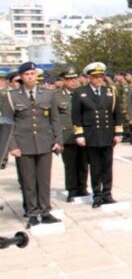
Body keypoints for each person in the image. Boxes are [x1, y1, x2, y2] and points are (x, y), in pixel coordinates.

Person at [1, 61, 63, 225]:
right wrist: (12, 146)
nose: (30, 77)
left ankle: (45, 211)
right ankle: (32, 213)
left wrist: (58, 140)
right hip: (23, 144)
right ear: (21, 77)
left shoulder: (48, 94)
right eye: (27, 74)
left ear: (36, 76)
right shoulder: (12, 96)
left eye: (33, 74)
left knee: (44, 179)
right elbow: (8, 123)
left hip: (44, 142)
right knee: (28, 181)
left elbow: (55, 120)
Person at [71, 62, 123, 208]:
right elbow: (76, 115)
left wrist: (118, 132)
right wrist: (79, 134)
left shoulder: (110, 91)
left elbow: (117, 114)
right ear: (89, 77)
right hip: (91, 134)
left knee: (107, 166)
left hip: (107, 134)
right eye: (96, 76)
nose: (99, 79)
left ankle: (107, 194)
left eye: (101, 76)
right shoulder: (80, 92)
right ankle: (97, 195)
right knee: (95, 167)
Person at [56, 67, 89, 201]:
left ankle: (82, 187)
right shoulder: (56, 96)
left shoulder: (83, 93)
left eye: (75, 79)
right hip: (67, 135)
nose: (73, 82)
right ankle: (72, 190)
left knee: (83, 163)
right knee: (70, 164)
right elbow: (55, 118)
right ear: (63, 80)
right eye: (69, 79)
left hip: (83, 134)